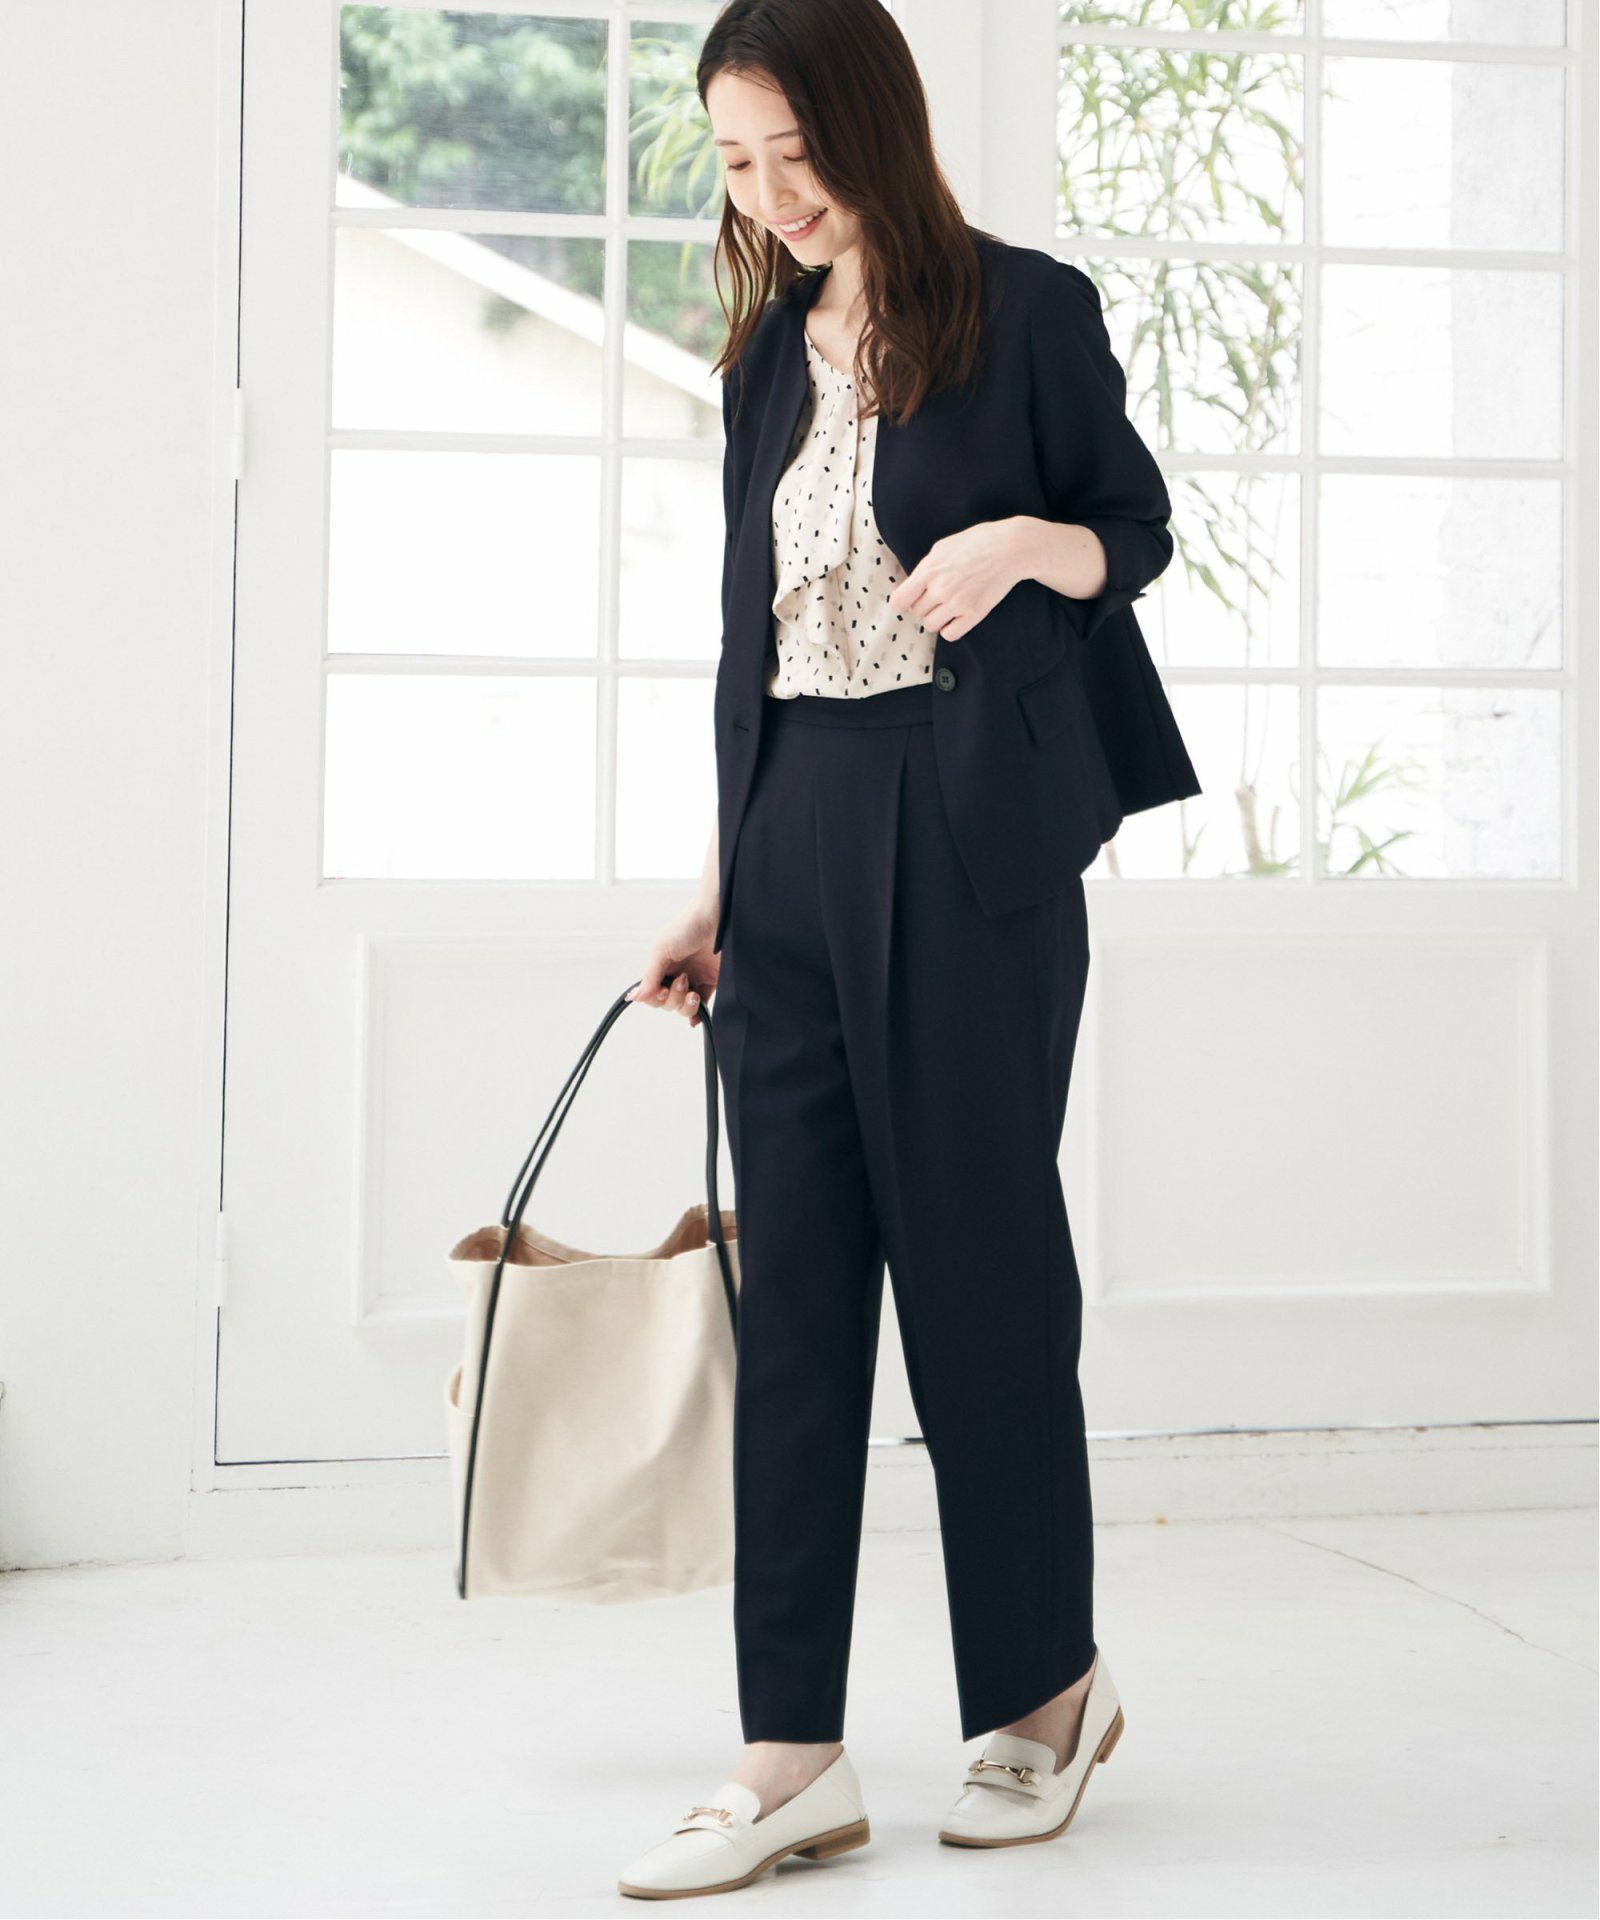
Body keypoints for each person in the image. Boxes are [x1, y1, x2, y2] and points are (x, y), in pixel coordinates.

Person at [618, 0, 1199, 1898]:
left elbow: (1136, 531)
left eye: (797, 153)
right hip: (790, 833)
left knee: (978, 1280)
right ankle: (788, 1754)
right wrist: (719, 887)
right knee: (795, 1306)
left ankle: (1044, 1699)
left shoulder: (1025, 311)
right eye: (736, 162)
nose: (771, 195)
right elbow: (754, 646)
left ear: (878, 124)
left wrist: (1027, 540)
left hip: (966, 840)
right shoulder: (763, 354)